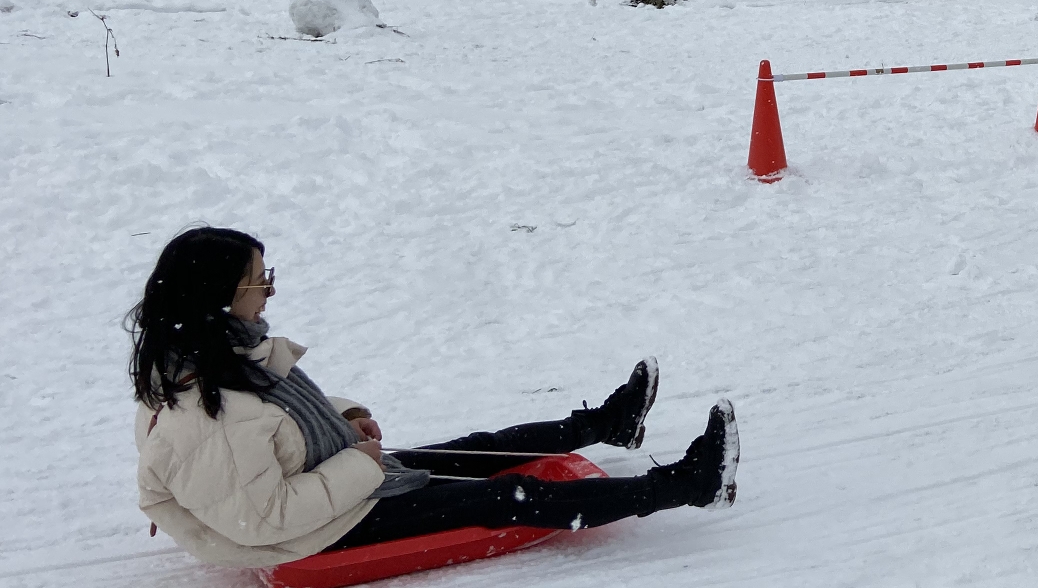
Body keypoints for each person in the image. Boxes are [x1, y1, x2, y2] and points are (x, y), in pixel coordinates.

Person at [129, 226, 737, 569]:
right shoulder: (208, 411)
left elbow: (277, 417)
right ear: (216, 295)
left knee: (474, 450)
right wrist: (355, 464)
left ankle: (608, 424)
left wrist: (342, 418)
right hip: (312, 530)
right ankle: (690, 485)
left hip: (332, 478)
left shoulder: (217, 354)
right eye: (260, 281)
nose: (270, 292)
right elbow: (262, 517)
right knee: (505, 496)